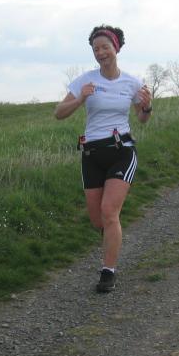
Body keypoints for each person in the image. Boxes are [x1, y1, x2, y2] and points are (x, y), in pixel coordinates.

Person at [54, 25, 153, 292]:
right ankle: (112, 232)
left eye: (105, 47)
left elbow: (142, 118)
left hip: (121, 150)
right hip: (91, 154)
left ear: (115, 49)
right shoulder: (85, 81)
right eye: (95, 49)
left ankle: (108, 272)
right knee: (98, 220)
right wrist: (80, 99)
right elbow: (59, 113)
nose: (100, 53)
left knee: (109, 211)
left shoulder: (132, 83)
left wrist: (147, 107)